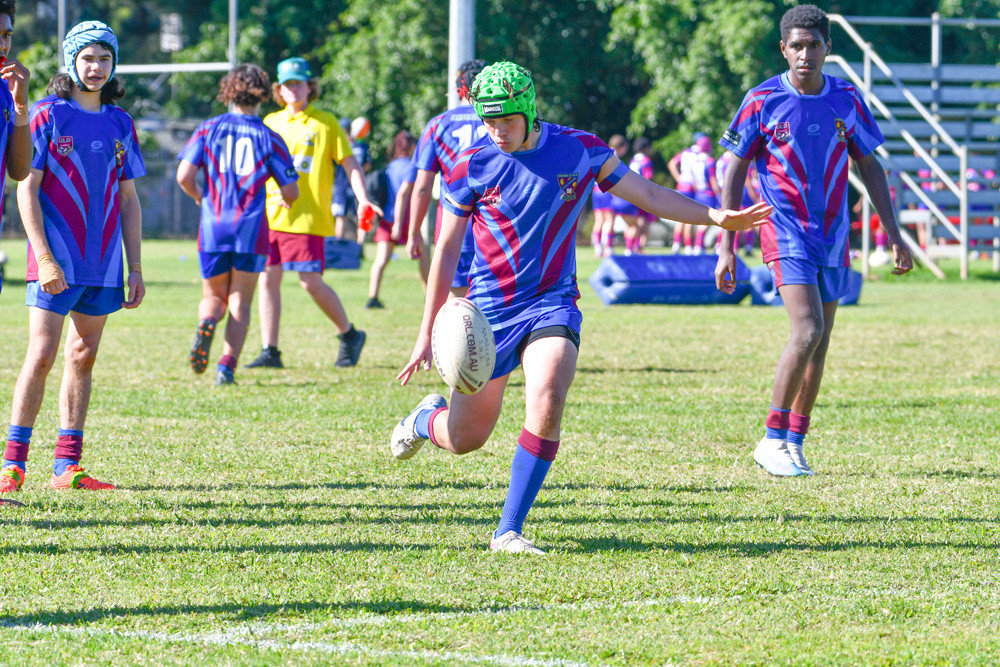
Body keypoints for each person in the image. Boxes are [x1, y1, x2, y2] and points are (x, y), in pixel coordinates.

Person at [391, 61, 771, 553]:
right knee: (466, 438)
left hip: (552, 303)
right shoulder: (469, 164)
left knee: (548, 395)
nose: (496, 132)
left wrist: (716, 217)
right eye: (488, 121)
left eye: (505, 120)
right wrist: (427, 331)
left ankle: (508, 530)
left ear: (528, 111)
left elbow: (649, 193)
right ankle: (424, 420)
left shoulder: (581, 149)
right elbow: (444, 249)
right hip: (486, 315)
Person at [715, 4, 913, 478]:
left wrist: (895, 233)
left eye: (814, 45)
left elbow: (870, 165)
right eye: (796, 46)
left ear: (829, 48)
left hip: (834, 234)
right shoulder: (761, 100)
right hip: (783, 229)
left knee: (820, 344)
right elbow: (736, 167)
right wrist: (726, 243)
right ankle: (771, 438)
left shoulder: (846, 98)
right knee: (806, 330)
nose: (805, 53)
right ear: (783, 49)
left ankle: (794, 442)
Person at [2, 20, 145, 493]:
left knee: (83, 356)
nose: (97, 67)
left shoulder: (121, 122)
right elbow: (27, 190)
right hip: (54, 261)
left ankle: (67, 466)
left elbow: (128, 200)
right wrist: (43, 258)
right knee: (41, 355)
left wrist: (137, 267)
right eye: (88, 58)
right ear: (71, 61)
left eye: (105, 58)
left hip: (103, 263)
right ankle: (12, 464)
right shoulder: (45, 115)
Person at [245, 57, 377, 370]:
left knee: (309, 281)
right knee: (268, 279)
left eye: (299, 83)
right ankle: (270, 350)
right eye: (287, 84)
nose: (293, 89)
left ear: (310, 87)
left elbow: (350, 164)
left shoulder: (325, 122)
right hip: (271, 214)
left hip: (308, 217)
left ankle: (349, 334)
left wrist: (362, 199)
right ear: (278, 88)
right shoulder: (271, 123)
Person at [176, 64, 299, 385]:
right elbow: (291, 190)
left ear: (228, 90)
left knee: (213, 296)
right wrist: (286, 197)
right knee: (240, 300)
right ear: (262, 94)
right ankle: (225, 367)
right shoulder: (269, 136)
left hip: (214, 224)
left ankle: (207, 320)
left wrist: (200, 195)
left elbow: (183, 176)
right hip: (251, 228)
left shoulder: (208, 128)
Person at [406, 59, 488, 297]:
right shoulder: (505, 124)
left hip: (455, 230)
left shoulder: (439, 124)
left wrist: (413, 233)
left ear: (459, 88)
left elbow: (422, 187)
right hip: (498, 228)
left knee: (458, 313)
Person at [365, 129, 428, 308]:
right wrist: (399, 224)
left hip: (387, 219)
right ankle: (428, 296)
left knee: (381, 260)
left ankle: (372, 297)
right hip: (406, 221)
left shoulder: (389, 167)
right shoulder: (412, 167)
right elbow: (402, 195)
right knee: (423, 258)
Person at [0, 0, 29, 298]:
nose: (2, 44)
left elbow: (20, 170)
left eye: (6, 35)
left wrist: (21, 105)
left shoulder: (5, 93)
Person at [668, 132, 721, 254]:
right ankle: (688, 246)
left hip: (683, 185)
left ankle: (677, 244)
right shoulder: (702, 155)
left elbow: (672, 163)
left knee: (680, 217)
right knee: (689, 218)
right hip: (694, 188)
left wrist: (679, 178)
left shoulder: (686, 152)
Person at [605, 135, 644, 256]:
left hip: (611, 197)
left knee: (609, 221)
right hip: (620, 196)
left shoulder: (606, 155)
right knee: (635, 225)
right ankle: (629, 249)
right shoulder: (615, 159)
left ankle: (607, 247)